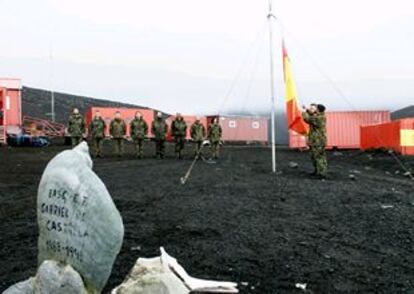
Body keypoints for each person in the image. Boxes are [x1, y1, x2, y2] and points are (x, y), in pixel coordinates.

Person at [302, 103, 328, 179]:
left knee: (318, 157)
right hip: (316, 140)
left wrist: (303, 112)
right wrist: (306, 109)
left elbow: (307, 119)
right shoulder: (319, 115)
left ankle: (321, 173)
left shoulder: (319, 118)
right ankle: (317, 171)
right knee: (315, 156)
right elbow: (311, 114)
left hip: (318, 141)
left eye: (316, 108)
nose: (314, 109)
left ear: (318, 110)